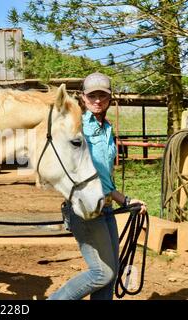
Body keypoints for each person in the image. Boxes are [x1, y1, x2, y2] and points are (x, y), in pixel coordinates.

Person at [47, 72, 147, 300]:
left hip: (107, 208)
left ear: (110, 98)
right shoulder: (77, 126)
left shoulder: (108, 129)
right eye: (92, 96)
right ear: (83, 97)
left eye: (103, 95)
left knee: (110, 275)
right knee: (102, 273)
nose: (98, 100)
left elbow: (103, 178)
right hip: (87, 209)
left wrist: (126, 201)